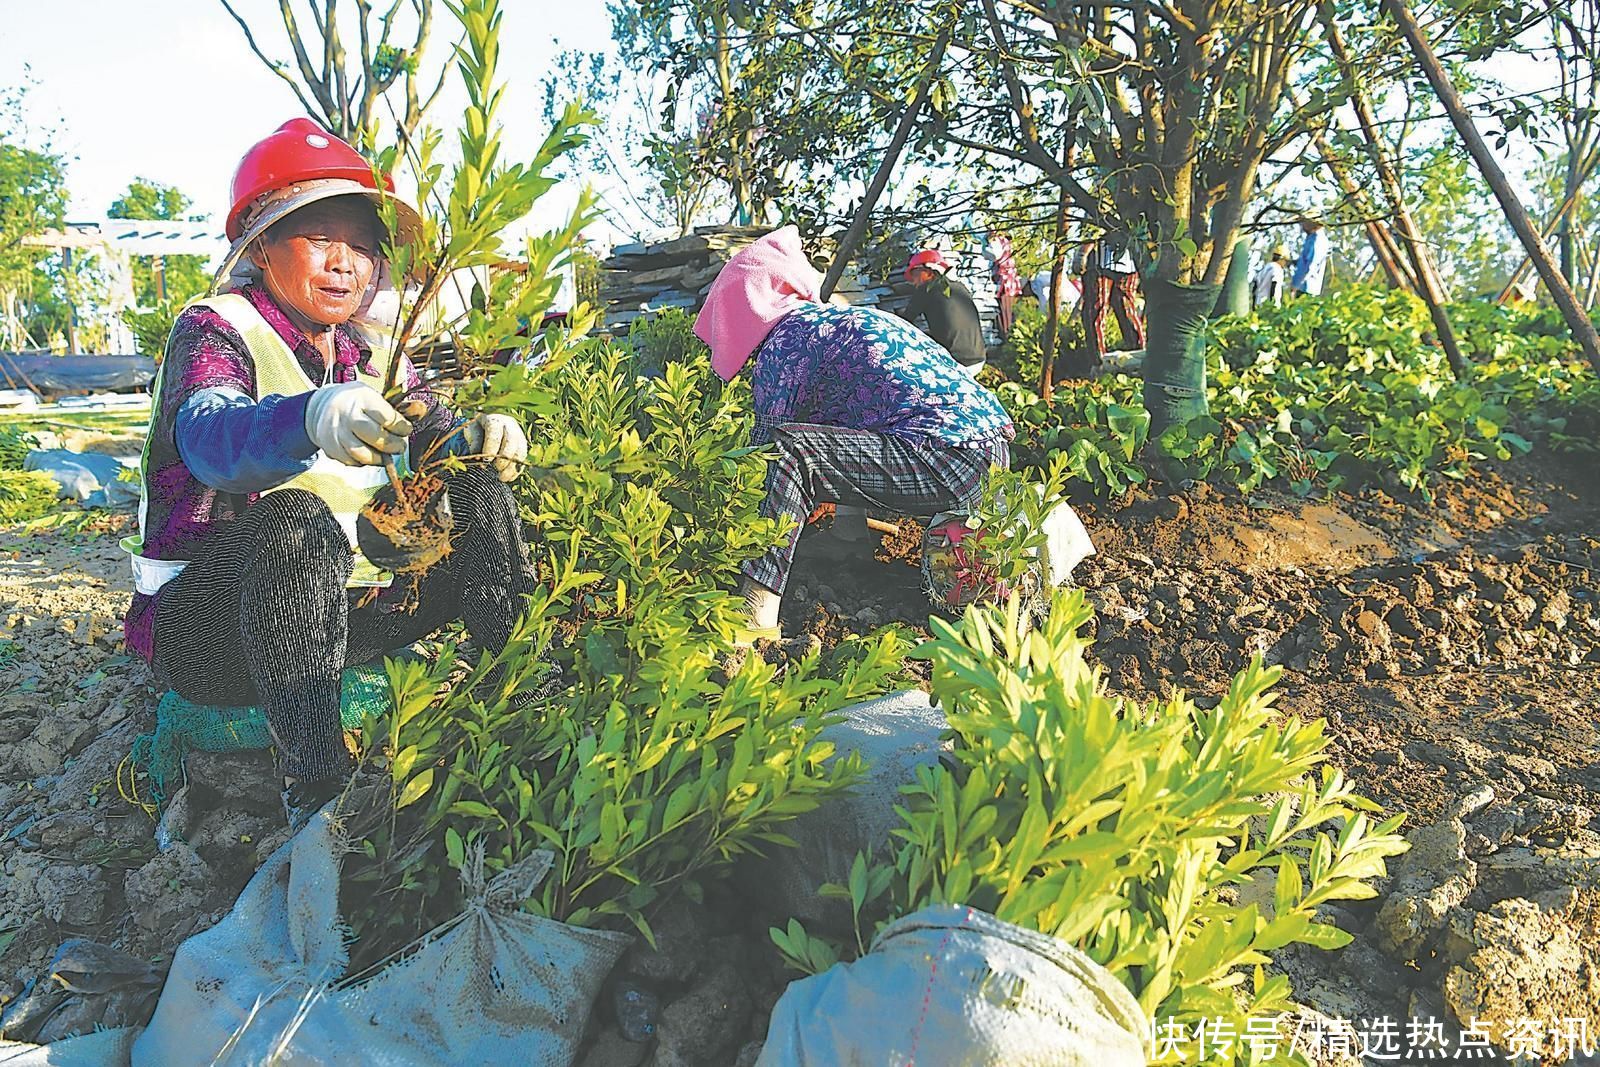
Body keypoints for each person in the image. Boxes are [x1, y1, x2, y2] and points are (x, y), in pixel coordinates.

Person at [121, 119, 534, 823]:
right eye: (319, 239)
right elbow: (211, 435)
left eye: (362, 246)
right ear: (261, 245)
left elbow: (426, 434)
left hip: (344, 613)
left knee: (477, 491)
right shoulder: (217, 329)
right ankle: (317, 790)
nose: (345, 262)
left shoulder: (372, 352)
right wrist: (306, 416)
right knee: (292, 521)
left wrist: (472, 439)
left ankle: (525, 698)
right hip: (212, 630)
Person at [695, 227, 1014, 639]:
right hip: (987, 453)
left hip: (949, 461)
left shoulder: (786, 343)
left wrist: (719, 529)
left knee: (789, 450)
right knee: (836, 425)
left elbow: (764, 459)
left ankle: (753, 616)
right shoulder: (835, 323)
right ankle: (849, 540)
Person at [902, 247, 988, 373]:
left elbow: (904, 323)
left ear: (929, 272)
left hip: (956, 363)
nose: (914, 282)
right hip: (978, 359)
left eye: (915, 275)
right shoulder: (960, 287)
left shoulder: (926, 289)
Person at [1081, 234, 1145, 364]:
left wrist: (1083, 252)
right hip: (1128, 261)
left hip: (1103, 262)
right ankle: (1140, 358)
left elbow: (1093, 230)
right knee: (1126, 311)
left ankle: (1100, 363)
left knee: (1096, 313)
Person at [986, 229, 1023, 339]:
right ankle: (1008, 335)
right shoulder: (1007, 243)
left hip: (1004, 279)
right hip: (1009, 279)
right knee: (1007, 310)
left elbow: (995, 255)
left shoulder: (998, 242)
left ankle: (1006, 336)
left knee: (1004, 311)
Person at [1291, 217, 1330, 297]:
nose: (1302, 225)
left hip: (1307, 287)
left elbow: (1311, 265)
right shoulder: (1311, 238)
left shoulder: (1317, 240)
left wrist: (1296, 285)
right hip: (1304, 286)